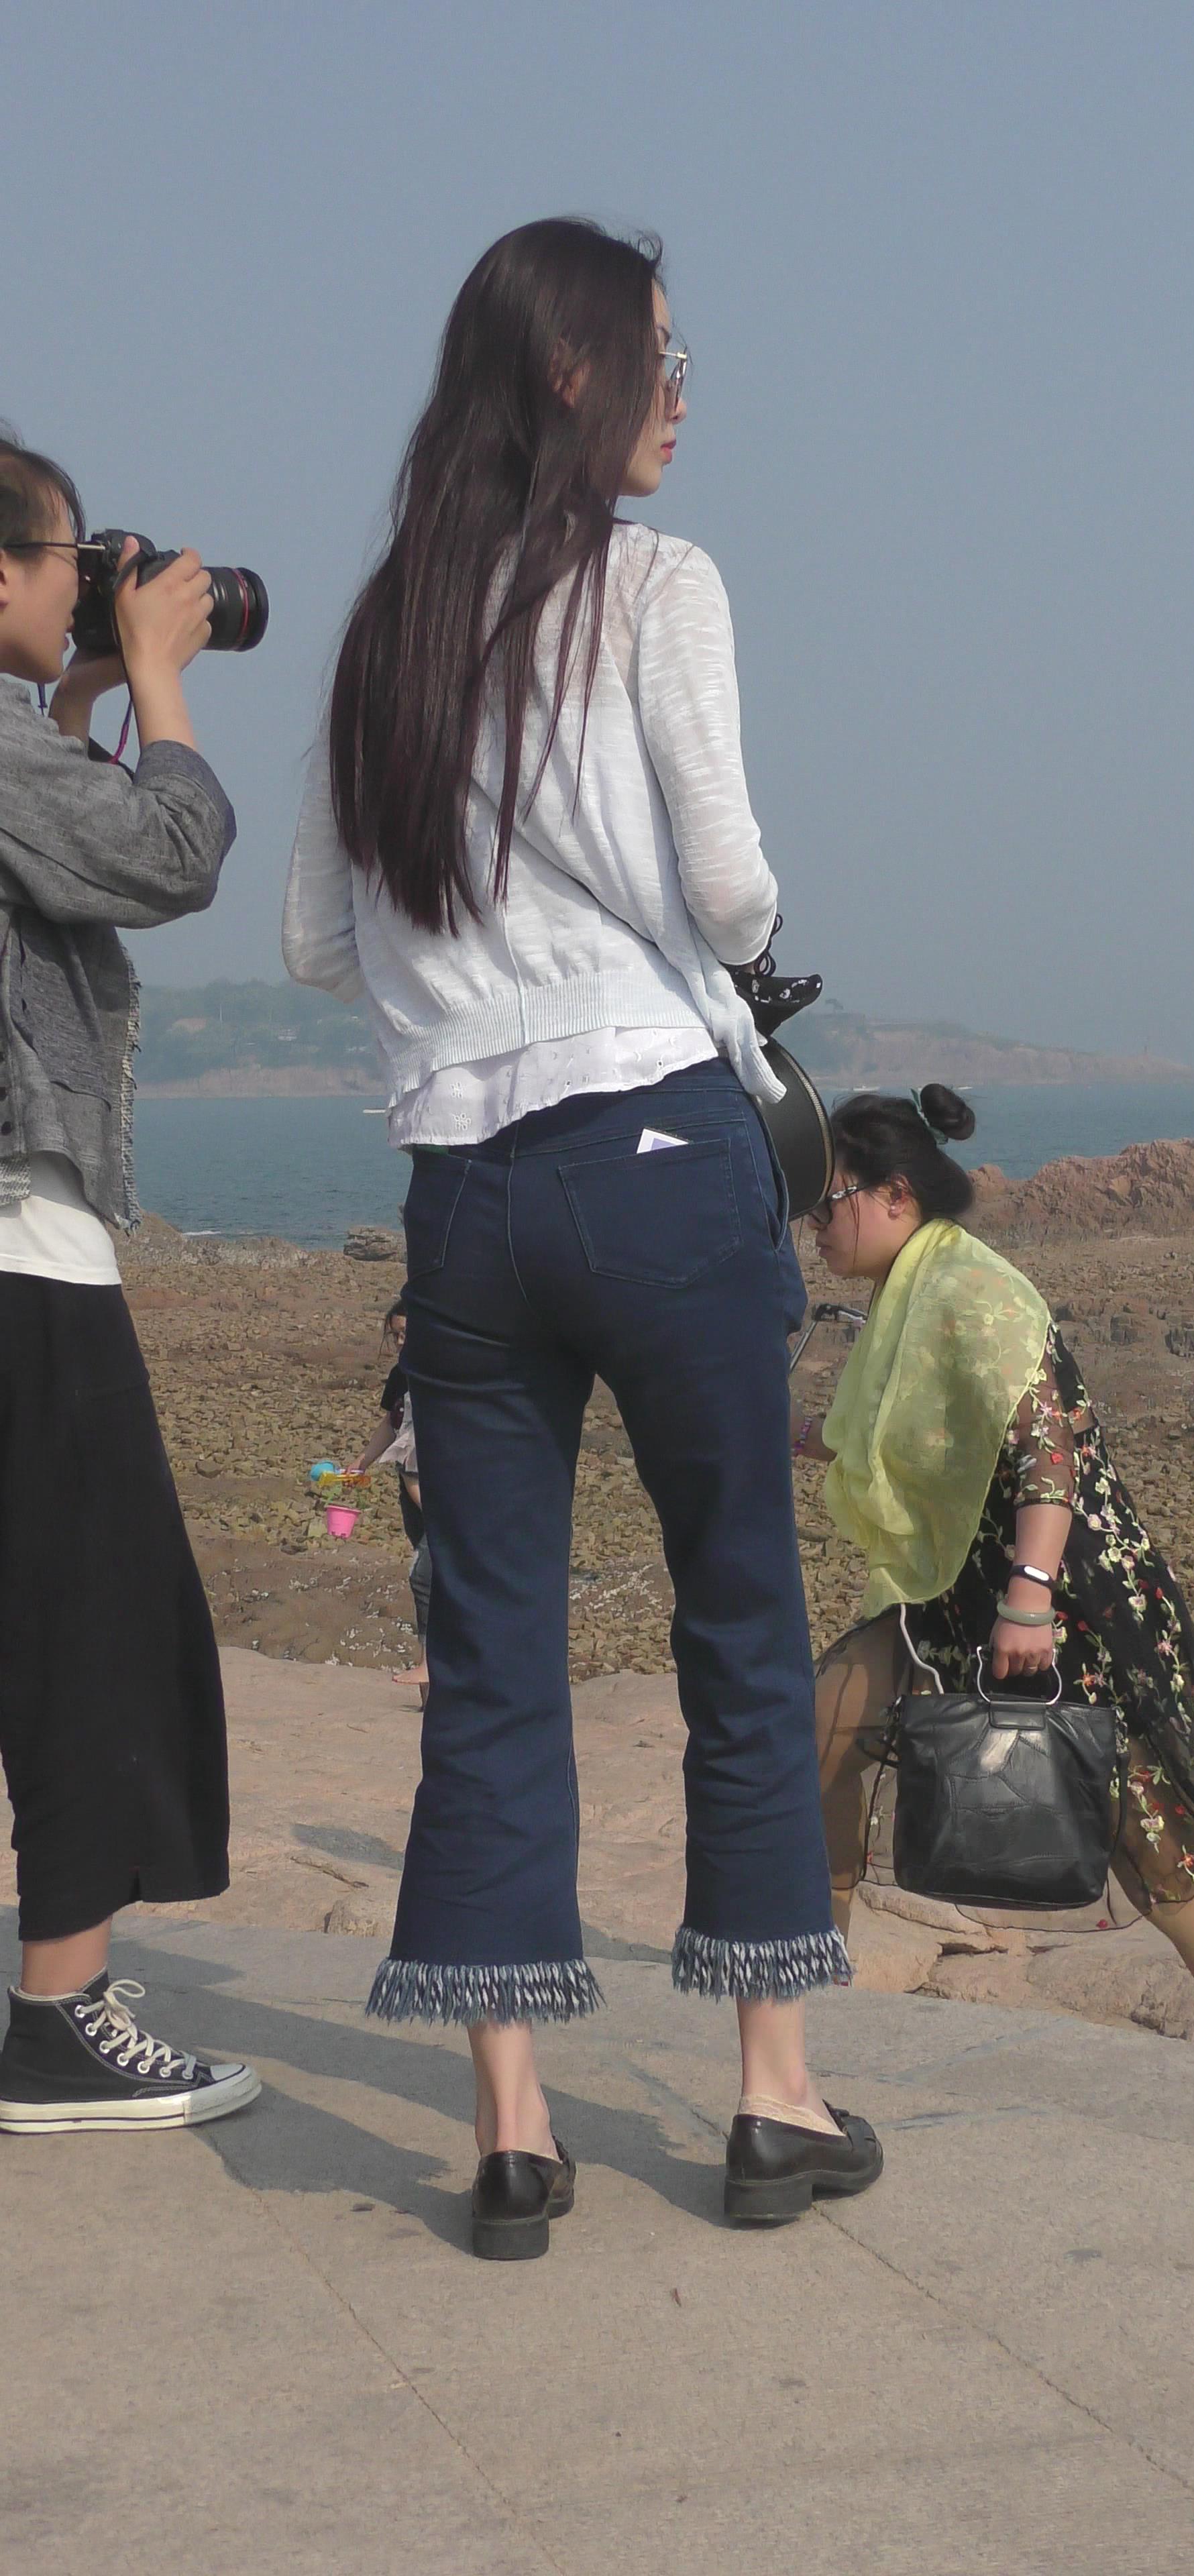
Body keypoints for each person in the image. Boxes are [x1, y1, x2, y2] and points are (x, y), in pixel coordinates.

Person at [284, 219, 879, 2251]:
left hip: (464, 1190)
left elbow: (312, 938)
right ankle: (771, 2094)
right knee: (737, 1616)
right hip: (654, 1146)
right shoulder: (657, 585)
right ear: (573, 371)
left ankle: (511, 2132)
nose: (682, 395)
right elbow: (728, 888)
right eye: (663, 357)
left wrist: (465, 966)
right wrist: (702, 924)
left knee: (490, 1653)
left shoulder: (383, 628)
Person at [799, 1085, 1194, 2061]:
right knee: (816, 1737)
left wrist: (1028, 1601)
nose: (813, 1227)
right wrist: (793, 1435)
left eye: (827, 1203)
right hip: (944, 1595)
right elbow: (911, 1434)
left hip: (1061, 1604)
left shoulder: (971, 1291)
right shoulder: (910, 1292)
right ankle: (808, 2006)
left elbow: (1049, 1447)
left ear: (896, 1195)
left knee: (1155, 1850)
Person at [0, 435, 258, 2131]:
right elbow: (166, 853)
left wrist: (79, 687)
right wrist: (157, 679)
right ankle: (61, 2014)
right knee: (92, 1628)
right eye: (71, 561)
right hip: (22, 1251)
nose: (89, 585)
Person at [351, 1300, 429, 1695]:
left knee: (427, 1575)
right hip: (413, 1493)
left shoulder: (440, 1374)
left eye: (407, 1334)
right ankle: (430, 1698)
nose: (400, 1342)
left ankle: (432, 1668)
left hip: (442, 1493)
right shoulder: (402, 1375)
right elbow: (391, 1422)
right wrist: (360, 1463)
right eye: (395, 1335)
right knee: (426, 1574)